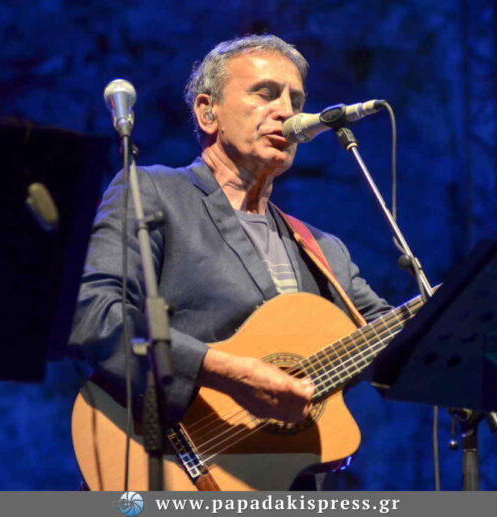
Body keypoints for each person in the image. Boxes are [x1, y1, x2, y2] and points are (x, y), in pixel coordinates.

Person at [69, 34, 392, 486]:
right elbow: (91, 315)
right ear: (208, 112)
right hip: (165, 466)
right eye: (265, 93)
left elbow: (402, 341)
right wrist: (226, 373)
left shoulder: (326, 250)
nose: (287, 112)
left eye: (296, 100)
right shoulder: (153, 192)